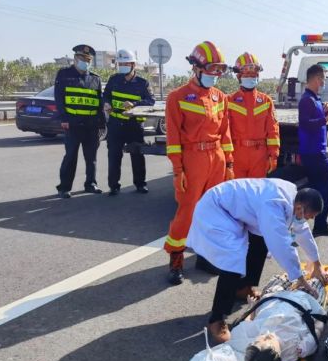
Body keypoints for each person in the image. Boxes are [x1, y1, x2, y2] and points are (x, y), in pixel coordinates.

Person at [186, 178, 328, 343]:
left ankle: (243, 287)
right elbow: (281, 245)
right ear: (299, 208)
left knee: (260, 240)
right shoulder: (274, 205)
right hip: (217, 209)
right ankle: (217, 319)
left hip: (234, 210)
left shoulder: (295, 199)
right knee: (233, 259)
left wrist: (317, 264)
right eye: (310, 216)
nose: (309, 220)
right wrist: (300, 278)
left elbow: (302, 231)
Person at [164, 41, 234, 285]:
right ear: (196, 68)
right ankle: (176, 259)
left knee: (213, 211)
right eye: (211, 70)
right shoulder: (177, 97)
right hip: (192, 159)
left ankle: (205, 257)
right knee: (187, 211)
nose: (215, 76)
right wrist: (178, 169)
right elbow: (173, 139)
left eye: (218, 71)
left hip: (217, 158)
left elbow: (225, 133)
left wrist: (229, 164)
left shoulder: (220, 97)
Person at [228, 287, 328, 361]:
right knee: (314, 285)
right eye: (269, 342)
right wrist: (321, 318)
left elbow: (248, 321)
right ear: (278, 357)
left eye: (258, 340)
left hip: (272, 298)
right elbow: (316, 330)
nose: (266, 336)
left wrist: (252, 308)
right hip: (303, 299)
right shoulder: (297, 348)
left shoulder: (250, 342)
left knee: (275, 284)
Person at [55, 44, 105, 198]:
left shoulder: (95, 79)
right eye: (82, 58)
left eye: (88, 59)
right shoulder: (64, 75)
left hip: (91, 125)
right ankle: (64, 187)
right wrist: (63, 118)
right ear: (75, 59)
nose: (85, 61)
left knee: (91, 158)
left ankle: (91, 184)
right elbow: (59, 98)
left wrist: (101, 123)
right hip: (73, 124)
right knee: (70, 156)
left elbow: (99, 102)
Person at [103, 49, 155, 195]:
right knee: (114, 155)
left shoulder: (142, 83)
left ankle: (140, 184)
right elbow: (105, 95)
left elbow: (150, 101)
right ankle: (113, 186)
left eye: (126, 63)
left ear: (133, 65)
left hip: (134, 125)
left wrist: (134, 103)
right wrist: (106, 103)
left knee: (137, 155)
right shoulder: (114, 80)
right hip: (115, 124)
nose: (122, 66)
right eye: (120, 64)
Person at [298, 64, 328, 237]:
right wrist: (326, 118)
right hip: (313, 153)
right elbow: (306, 124)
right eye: (322, 79)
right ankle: (320, 224)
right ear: (316, 79)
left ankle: (309, 223)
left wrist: (323, 111)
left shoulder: (314, 99)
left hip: (315, 151)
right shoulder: (306, 100)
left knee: (318, 189)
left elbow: (314, 119)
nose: (324, 82)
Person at [227, 52, 280, 178]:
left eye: (253, 74)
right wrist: (227, 160)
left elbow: (273, 130)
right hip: (237, 155)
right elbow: (225, 132)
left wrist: (274, 155)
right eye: (247, 74)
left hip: (259, 156)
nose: (251, 77)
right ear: (239, 76)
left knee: (257, 193)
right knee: (238, 193)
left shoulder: (266, 101)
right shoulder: (229, 100)